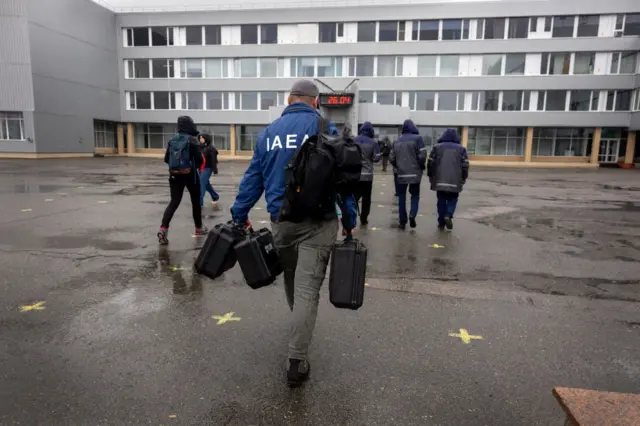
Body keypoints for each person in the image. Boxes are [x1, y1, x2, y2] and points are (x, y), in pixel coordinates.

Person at [230, 80, 357, 387]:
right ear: (315, 102)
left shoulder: (269, 133)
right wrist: (350, 219)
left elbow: (253, 179)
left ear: (288, 100)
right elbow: (343, 181)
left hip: (282, 221)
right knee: (307, 288)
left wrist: (239, 214)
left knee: (292, 279)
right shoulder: (326, 129)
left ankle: (300, 322)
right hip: (319, 221)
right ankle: (296, 360)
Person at [157, 116, 208, 245]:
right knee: (195, 201)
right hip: (190, 174)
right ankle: (198, 228)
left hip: (174, 175)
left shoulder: (172, 140)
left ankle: (163, 229)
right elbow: (200, 160)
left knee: (174, 202)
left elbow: (166, 159)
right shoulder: (192, 140)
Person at [427, 128, 469, 231]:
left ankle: (441, 221)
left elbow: (430, 163)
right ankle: (448, 214)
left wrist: (431, 176)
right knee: (453, 198)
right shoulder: (461, 149)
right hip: (455, 180)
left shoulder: (437, 148)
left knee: (441, 200)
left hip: (439, 179)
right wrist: (463, 178)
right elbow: (465, 165)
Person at [389, 119, 427, 230]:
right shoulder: (418, 139)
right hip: (415, 174)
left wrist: (398, 166)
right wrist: (420, 166)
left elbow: (391, 157)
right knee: (415, 195)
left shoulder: (397, 141)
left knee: (402, 198)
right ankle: (412, 215)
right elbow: (423, 155)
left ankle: (402, 222)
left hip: (401, 174)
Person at [354, 121, 380, 226]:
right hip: (367, 176)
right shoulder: (373, 143)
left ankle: (352, 217)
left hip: (355, 175)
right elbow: (376, 158)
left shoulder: (353, 140)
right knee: (366, 198)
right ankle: (364, 218)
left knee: (354, 197)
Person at [198, 133, 220, 209]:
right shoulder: (199, 147)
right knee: (206, 184)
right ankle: (215, 196)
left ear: (206, 139)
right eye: (200, 138)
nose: (201, 139)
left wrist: (215, 170)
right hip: (200, 168)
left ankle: (199, 202)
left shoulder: (211, 148)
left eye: (202, 138)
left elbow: (214, 160)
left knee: (201, 184)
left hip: (207, 168)